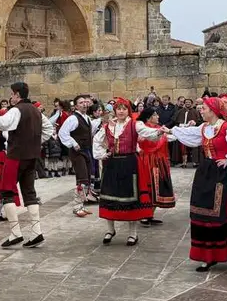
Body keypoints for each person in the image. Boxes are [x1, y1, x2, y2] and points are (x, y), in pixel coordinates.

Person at [168, 97, 227, 272]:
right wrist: (169, 130)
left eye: (203, 108)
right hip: (207, 173)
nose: (201, 110)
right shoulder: (204, 128)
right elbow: (189, 135)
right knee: (204, 213)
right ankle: (208, 256)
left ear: (213, 110)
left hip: (226, 175)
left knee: (226, 213)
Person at [0, 81, 55, 248]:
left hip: (16, 156)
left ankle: (15, 233)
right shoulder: (36, 110)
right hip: (31, 156)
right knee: (29, 192)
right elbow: (48, 129)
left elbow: (2, 123)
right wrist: (34, 143)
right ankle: (36, 232)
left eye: (12, 94)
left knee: (6, 191)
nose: (11, 97)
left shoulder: (16, 110)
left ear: (17, 94)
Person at [92, 98, 160, 246]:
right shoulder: (107, 126)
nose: (121, 111)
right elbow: (96, 140)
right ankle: (110, 230)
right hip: (112, 164)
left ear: (128, 111)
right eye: (119, 108)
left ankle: (132, 233)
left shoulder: (135, 124)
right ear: (115, 110)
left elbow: (147, 132)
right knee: (109, 196)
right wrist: (102, 154)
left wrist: (159, 131)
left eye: (124, 109)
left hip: (129, 163)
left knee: (130, 199)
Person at [59, 94, 98, 217]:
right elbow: (62, 132)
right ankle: (77, 207)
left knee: (87, 178)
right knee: (82, 178)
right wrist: (73, 143)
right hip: (77, 152)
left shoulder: (87, 118)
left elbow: (90, 132)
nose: (84, 104)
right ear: (75, 106)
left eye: (85, 102)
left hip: (86, 151)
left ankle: (81, 205)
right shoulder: (72, 118)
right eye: (81, 103)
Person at [137, 107, 176, 227]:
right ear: (148, 118)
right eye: (155, 115)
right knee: (149, 188)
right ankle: (144, 215)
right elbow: (138, 143)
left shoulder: (159, 128)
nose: (158, 116)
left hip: (160, 161)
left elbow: (171, 137)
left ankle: (150, 215)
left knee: (158, 188)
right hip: (147, 161)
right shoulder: (143, 129)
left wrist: (181, 130)